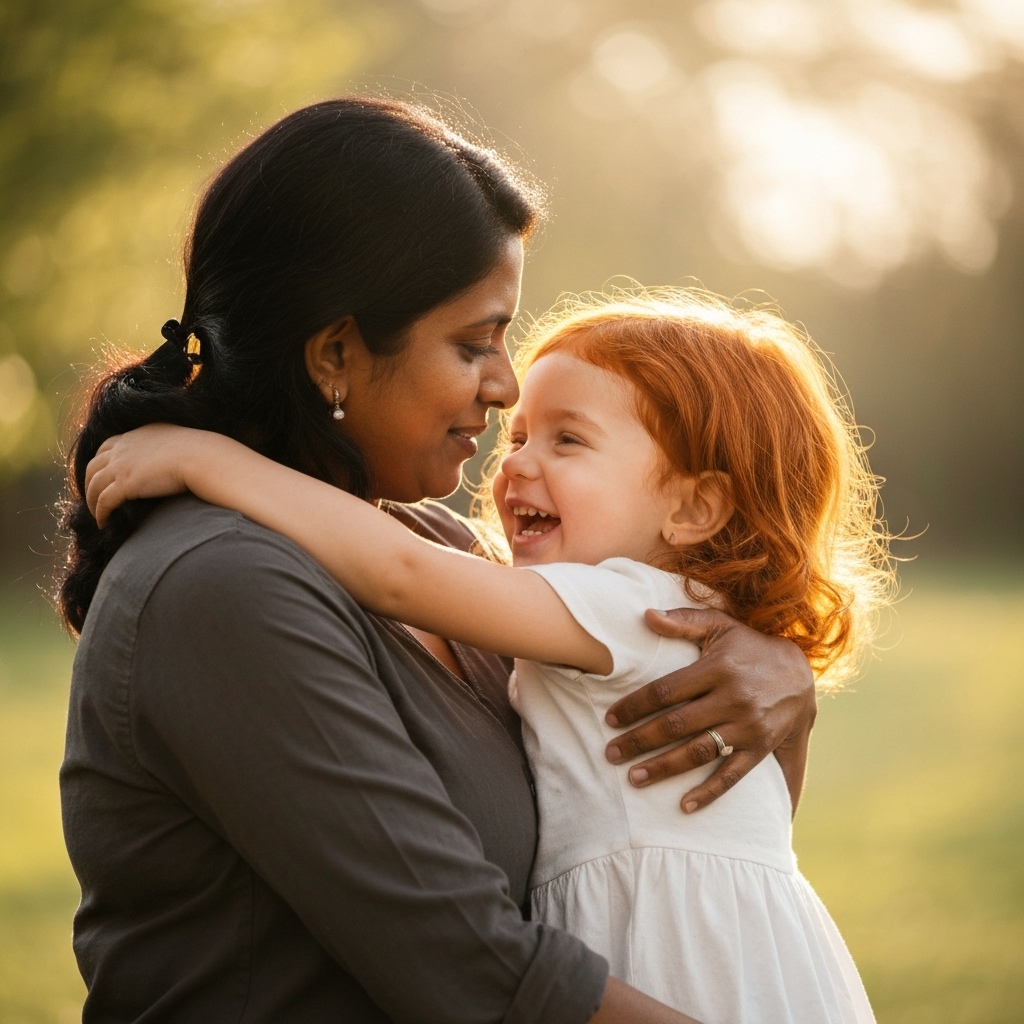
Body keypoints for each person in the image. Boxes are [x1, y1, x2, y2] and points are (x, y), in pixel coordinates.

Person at [59, 98, 817, 1022]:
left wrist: (779, 680)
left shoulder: (445, 549)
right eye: (474, 342)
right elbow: (478, 975)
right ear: (335, 352)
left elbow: (699, 830)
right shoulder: (222, 585)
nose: (503, 388)